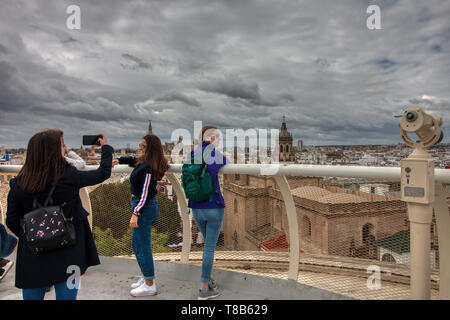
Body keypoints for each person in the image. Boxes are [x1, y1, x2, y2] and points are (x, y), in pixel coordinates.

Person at [6, 129, 113, 300]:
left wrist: (34, 234)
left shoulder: (18, 183)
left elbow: (11, 220)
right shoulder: (69, 176)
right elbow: (103, 173)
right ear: (55, 151)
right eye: (62, 145)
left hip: (34, 252)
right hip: (69, 250)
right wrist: (105, 147)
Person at [113, 134, 169, 297]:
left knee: (142, 246)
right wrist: (120, 160)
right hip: (142, 206)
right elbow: (133, 160)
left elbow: (145, 193)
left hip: (143, 208)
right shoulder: (144, 162)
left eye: (143, 146)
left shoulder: (147, 167)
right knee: (138, 244)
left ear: (149, 149)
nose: (140, 147)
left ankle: (150, 284)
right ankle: (146, 277)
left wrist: (136, 213)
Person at [188, 125, 228, 300]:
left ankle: (209, 280)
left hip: (196, 208)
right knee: (209, 249)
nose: (219, 140)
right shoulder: (216, 155)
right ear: (211, 138)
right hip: (213, 207)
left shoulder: (193, 154)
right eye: (217, 137)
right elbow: (225, 161)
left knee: (207, 248)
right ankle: (204, 289)